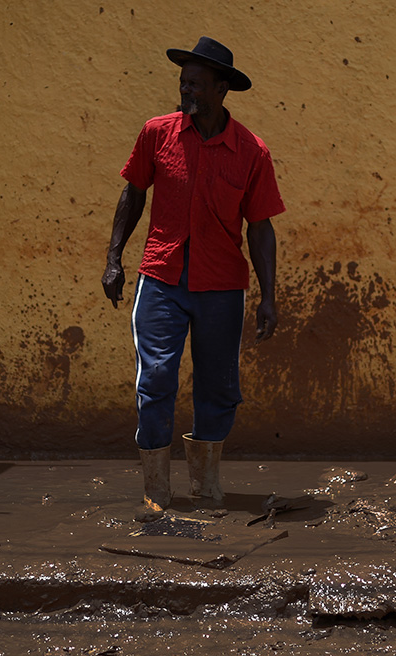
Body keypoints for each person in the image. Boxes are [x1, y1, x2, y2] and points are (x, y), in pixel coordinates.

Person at [101, 36, 285, 520]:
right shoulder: (156, 133)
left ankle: (206, 490)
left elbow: (261, 227)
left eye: (198, 85)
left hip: (222, 286)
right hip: (161, 278)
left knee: (218, 387)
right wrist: (114, 258)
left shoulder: (251, 151)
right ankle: (156, 489)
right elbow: (133, 193)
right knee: (156, 378)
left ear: (222, 89)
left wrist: (269, 296)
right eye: (184, 82)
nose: (187, 91)